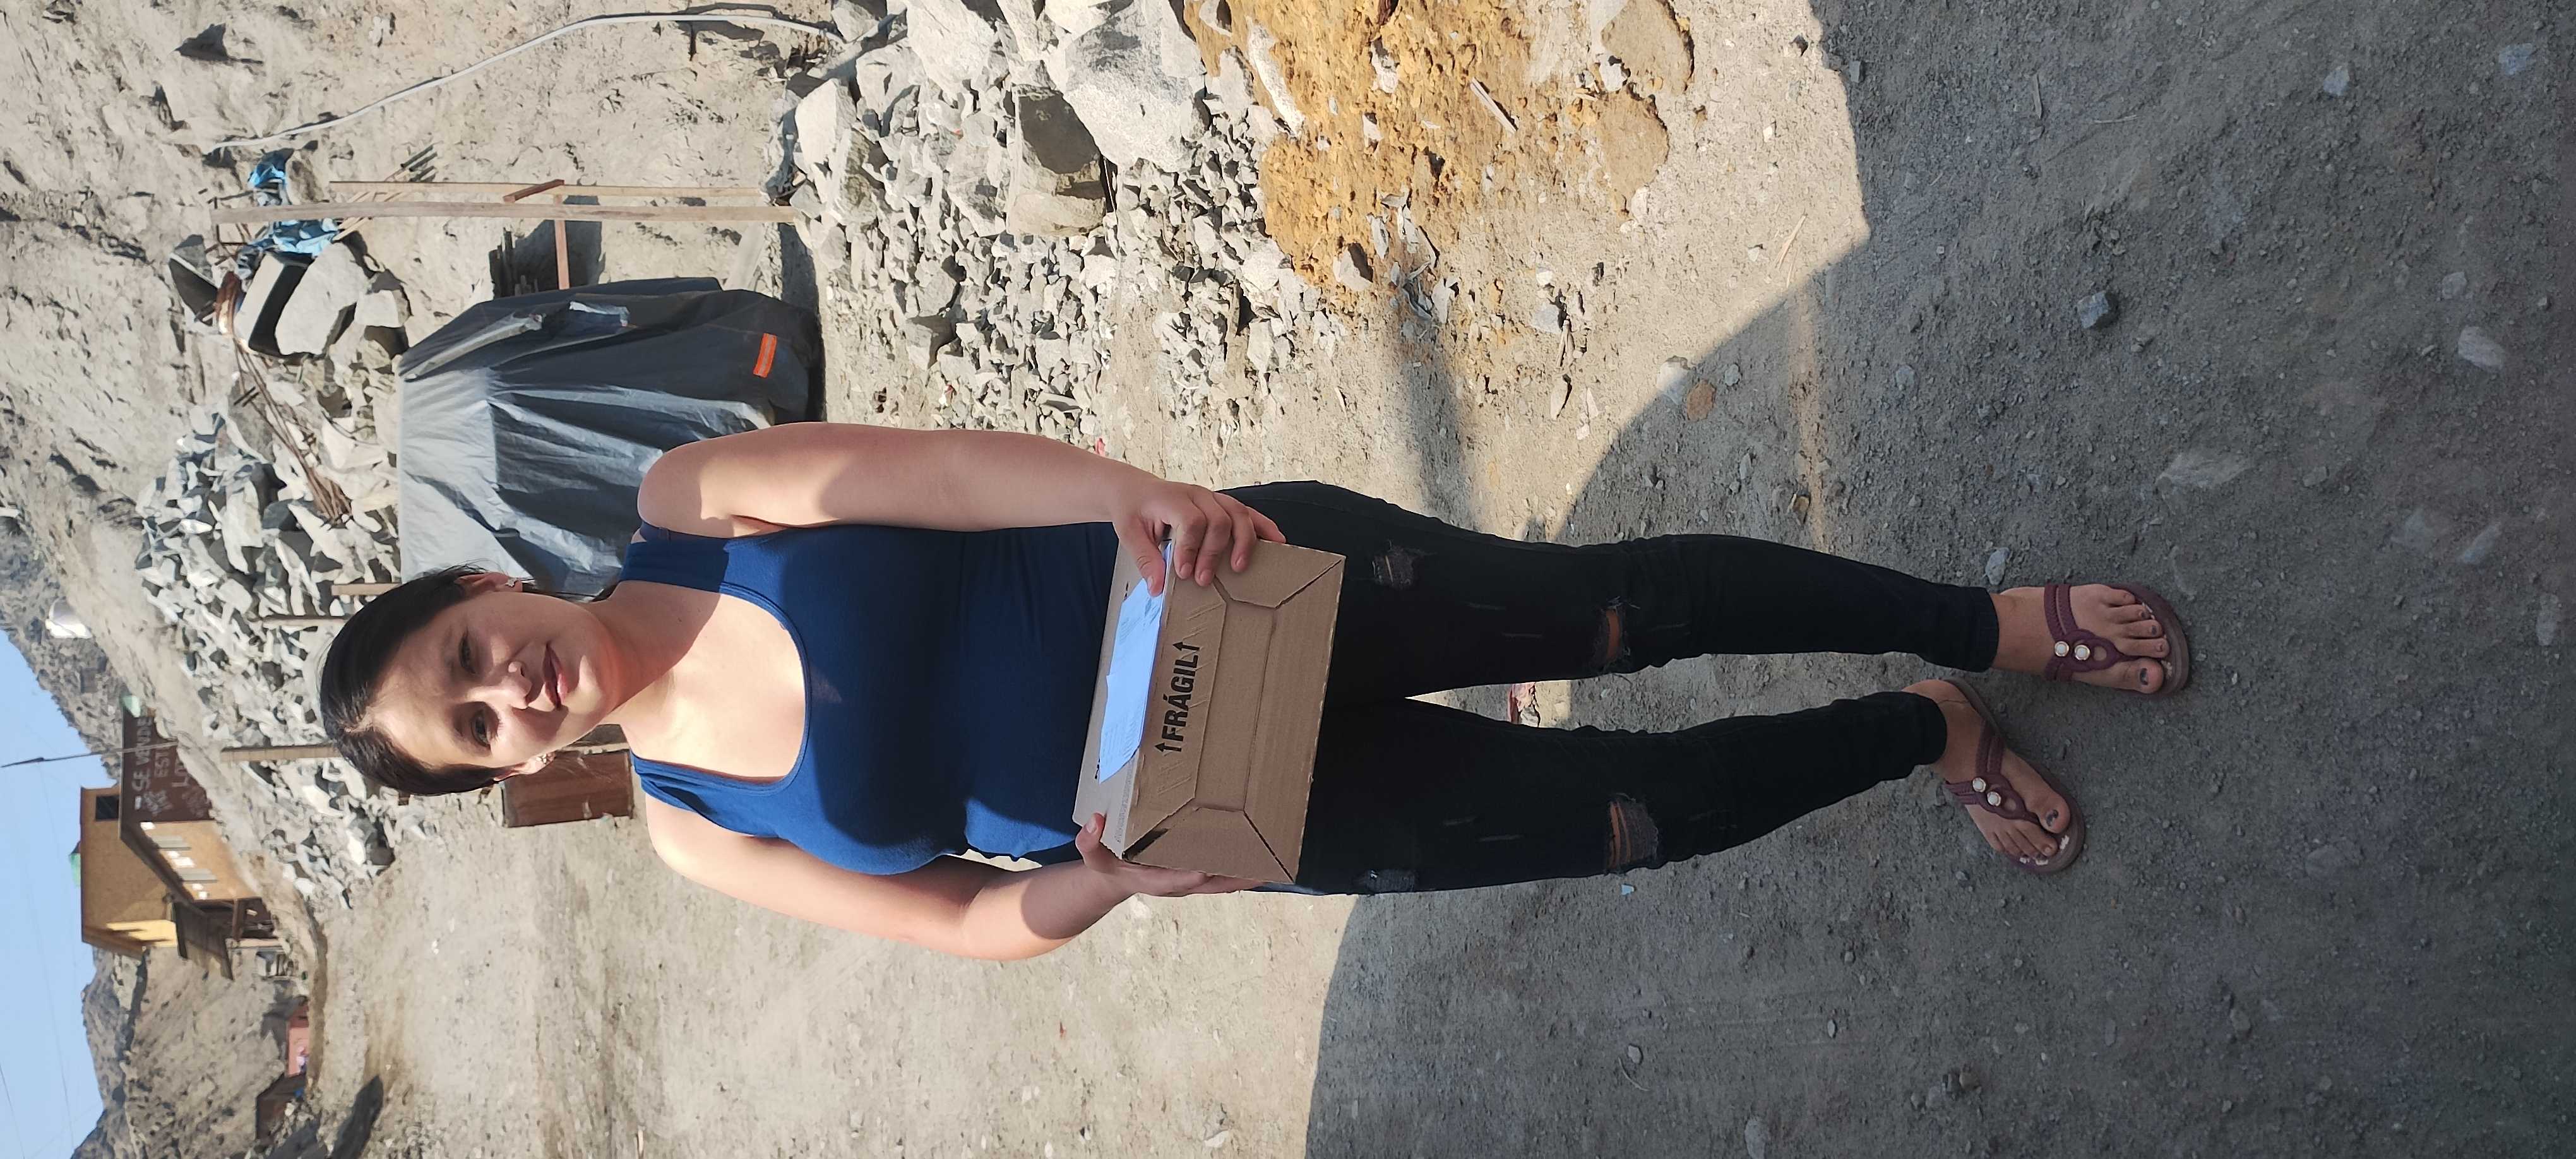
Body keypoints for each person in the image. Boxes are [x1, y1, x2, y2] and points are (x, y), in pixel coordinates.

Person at [318, 423, 2188, 960]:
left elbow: (940, 472)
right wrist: (1108, 882)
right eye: (476, 730)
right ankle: (1925, 730)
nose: (509, 691)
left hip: (1224, 587)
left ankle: (1986, 623)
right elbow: (960, 921)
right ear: (509, 769)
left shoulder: (690, 502)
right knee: (1629, 821)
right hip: (1219, 813)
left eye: (469, 654)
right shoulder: (690, 828)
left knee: (1613, 613)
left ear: (485, 587)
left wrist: (1137, 497)